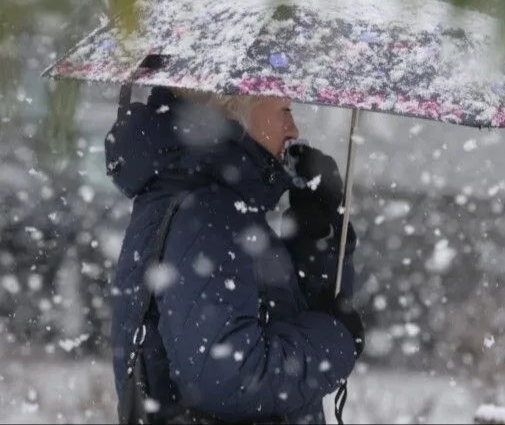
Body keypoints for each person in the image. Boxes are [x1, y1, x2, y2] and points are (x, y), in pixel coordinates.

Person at [105, 85, 364, 424]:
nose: (294, 129)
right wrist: (334, 341)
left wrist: (316, 232)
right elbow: (229, 377)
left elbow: (273, 319)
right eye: (283, 110)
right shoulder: (210, 213)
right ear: (234, 109)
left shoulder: (213, 203)